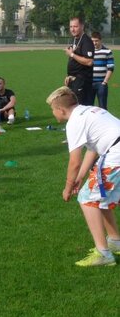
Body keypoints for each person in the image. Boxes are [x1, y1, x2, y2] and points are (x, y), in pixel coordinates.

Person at [46, 86, 120, 267]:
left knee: (87, 198)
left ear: (61, 110)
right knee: (100, 196)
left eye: (53, 110)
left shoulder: (74, 122)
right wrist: (79, 178)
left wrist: (68, 186)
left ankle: (104, 255)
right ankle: (115, 241)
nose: (53, 113)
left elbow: (74, 161)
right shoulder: (90, 110)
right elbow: (93, 148)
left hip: (115, 155)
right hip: (113, 152)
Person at [64, 17, 94, 105]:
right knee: (73, 108)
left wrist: (72, 54)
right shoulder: (75, 39)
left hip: (83, 82)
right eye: (71, 26)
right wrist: (69, 76)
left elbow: (89, 62)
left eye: (75, 26)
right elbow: (74, 61)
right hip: (74, 80)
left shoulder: (86, 41)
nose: (72, 29)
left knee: (81, 109)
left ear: (82, 26)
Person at [88, 31, 115, 109]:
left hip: (101, 84)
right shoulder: (88, 52)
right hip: (89, 83)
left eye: (96, 41)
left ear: (100, 40)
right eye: (92, 41)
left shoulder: (107, 51)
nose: (94, 43)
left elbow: (110, 68)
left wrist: (105, 82)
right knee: (89, 107)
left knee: (102, 107)